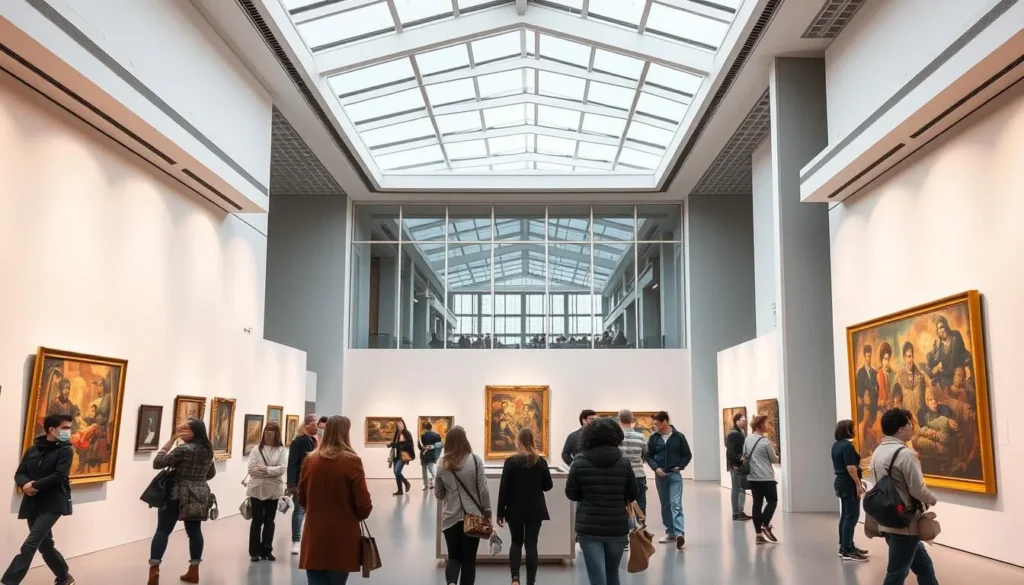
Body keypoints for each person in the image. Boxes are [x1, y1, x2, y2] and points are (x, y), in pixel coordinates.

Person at [297, 416, 372, 585]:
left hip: (314, 534)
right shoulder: (352, 461)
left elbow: (301, 497)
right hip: (342, 535)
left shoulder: (310, 460)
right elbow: (363, 504)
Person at [2, 414, 75, 585]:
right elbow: (19, 473)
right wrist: (24, 483)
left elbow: (59, 475)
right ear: (51, 429)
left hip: (54, 503)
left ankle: (9, 582)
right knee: (45, 545)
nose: (69, 431)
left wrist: (34, 485)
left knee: (31, 543)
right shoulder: (32, 450)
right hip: (33, 503)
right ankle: (64, 577)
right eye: (65, 427)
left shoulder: (65, 450)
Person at [566, 418, 638, 585]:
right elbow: (633, 493)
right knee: (613, 575)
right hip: (617, 526)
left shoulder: (579, 461)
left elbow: (571, 494)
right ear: (616, 437)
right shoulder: (624, 462)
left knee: (597, 578)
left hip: (588, 526)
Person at [871, 409, 939, 585]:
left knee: (924, 567)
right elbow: (918, 490)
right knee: (896, 573)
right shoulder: (905, 454)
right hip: (905, 523)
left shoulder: (878, 452)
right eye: (910, 424)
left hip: (887, 519)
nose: (912, 427)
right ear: (901, 429)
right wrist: (932, 499)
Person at [148, 418, 216, 585]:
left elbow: (157, 463)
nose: (181, 430)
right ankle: (194, 572)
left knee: (163, 530)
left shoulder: (183, 449)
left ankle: (154, 571)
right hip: (199, 494)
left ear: (194, 432)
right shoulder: (208, 450)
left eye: (185, 428)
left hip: (177, 493)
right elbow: (211, 473)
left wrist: (171, 440)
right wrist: (198, 479)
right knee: (194, 531)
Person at [434, 426, 491, 585]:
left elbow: (438, 493)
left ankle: (451, 582)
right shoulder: (474, 460)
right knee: (469, 560)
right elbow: (483, 490)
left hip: (450, 518)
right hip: (473, 517)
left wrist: (451, 492)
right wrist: (488, 512)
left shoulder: (442, 463)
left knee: (453, 557)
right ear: (464, 439)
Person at [497, 428, 553, 585]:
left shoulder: (510, 462)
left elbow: (504, 489)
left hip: (514, 509)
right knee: (531, 544)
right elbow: (548, 485)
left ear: (518, 441)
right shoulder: (540, 461)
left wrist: (500, 512)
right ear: (533, 441)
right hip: (535, 509)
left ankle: (515, 579)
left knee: (516, 542)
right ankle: (531, 582)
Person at [645, 411, 691, 549]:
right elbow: (648, 456)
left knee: (676, 503)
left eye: (656, 423)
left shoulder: (679, 437)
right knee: (665, 504)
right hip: (660, 475)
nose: (654, 425)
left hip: (675, 475)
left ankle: (679, 533)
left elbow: (687, 454)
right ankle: (670, 532)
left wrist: (680, 466)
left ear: (665, 421)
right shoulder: (654, 438)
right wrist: (655, 468)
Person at [247, 421, 288, 562]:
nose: (269, 433)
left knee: (269, 521)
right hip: (257, 489)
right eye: (267, 430)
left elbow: (282, 469)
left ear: (277, 433)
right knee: (257, 521)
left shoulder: (282, 451)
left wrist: (264, 469)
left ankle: (267, 549)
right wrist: (272, 471)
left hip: (274, 490)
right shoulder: (256, 449)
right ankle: (254, 552)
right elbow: (251, 470)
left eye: (272, 431)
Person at [832, 419, 868, 562]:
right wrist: (858, 484)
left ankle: (845, 546)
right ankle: (847, 549)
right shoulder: (847, 446)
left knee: (846, 515)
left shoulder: (836, 445)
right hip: (848, 484)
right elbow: (850, 467)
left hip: (840, 483)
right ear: (848, 430)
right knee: (852, 516)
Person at [744, 415, 780, 545]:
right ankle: (765, 524)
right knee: (772, 501)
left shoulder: (747, 439)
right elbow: (774, 459)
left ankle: (758, 534)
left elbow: (745, 455)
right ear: (760, 426)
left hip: (753, 478)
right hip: (766, 478)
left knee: (757, 504)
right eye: (766, 423)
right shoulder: (764, 442)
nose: (768, 426)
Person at [288, 414, 320, 555]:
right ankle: (296, 540)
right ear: (307, 424)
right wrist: (291, 484)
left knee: (312, 511)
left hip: (314, 481)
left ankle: (311, 539)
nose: (317, 427)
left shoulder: (314, 440)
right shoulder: (298, 441)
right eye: (314, 424)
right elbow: (292, 463)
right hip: (301, 480)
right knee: (299, 510)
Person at [617, 410, 648, 517]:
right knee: (640, 503)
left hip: (620, 474)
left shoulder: (616, 437)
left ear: (619, 419)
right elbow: (646, 455)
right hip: (638, 473)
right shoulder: (641, 437)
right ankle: (640, 530)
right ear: (632, 419)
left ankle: (625, 529)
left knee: (621, 503)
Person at [724, 411, 751, 521]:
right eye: (743, 420)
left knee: (742, 487)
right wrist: (735, 463)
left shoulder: (741, 432)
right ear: (737, 421)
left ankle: (741, 511)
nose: (745, 422)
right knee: (736, 488)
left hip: (741, 465)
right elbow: (731, 451)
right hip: (736, 465)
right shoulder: (733, 433)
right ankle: (736, 513)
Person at [387, 419, 415, 495]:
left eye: (400, 423)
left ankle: (406, 482)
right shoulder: (397, 433)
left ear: (403, 424)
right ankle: (400, 490)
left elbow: (409, 443)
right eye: (397, 423)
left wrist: (396, 445)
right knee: (395, 472)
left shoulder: (406, 432)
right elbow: (396, 444)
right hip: (396, 455)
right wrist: (391, 444)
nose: (399, 424)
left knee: (397, 471)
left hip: (403, 455)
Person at [419, 422, 443, 491]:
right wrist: (432, 447)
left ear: (425, 428)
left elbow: (420, 446)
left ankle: (426, 485)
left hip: (425, 454)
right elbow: (440, 445)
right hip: (430, 454)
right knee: (432, 470)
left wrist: (429, 447)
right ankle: (435, 484)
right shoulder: (436, 435)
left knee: (426, 470)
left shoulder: (422, 436)